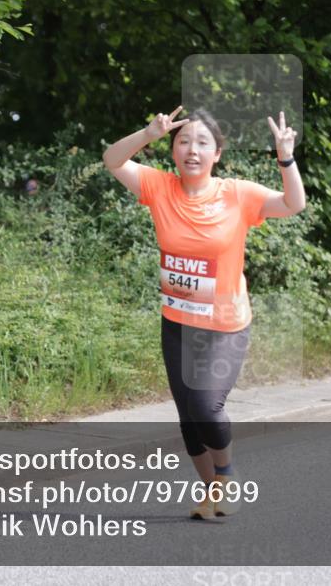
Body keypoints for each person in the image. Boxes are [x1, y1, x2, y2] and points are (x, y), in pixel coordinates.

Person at [102, 105, 306, 518]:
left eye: (202, 142)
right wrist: (147, 134)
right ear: (173, 151)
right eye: (183, 142)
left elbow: (293, 203)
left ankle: (226, 476)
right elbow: (112, 160)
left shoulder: (237, 194)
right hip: (177, 321)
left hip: (224, 324)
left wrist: (285, 157)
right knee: (188, 417)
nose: (192, 149)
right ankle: (212, 493)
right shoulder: (159, 187)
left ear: (217, 154)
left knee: (205, 404)